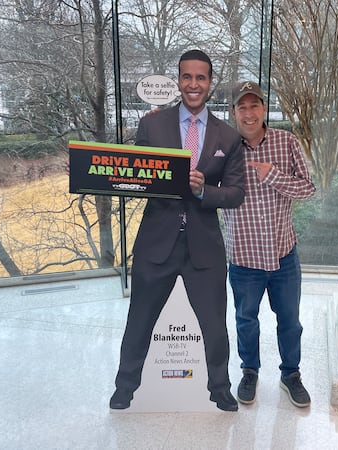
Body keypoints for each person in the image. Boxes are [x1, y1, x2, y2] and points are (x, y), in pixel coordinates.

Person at [109, 50, 244, 412]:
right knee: (139, 320)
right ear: (178, 80)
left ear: (210, 82)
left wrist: (204, 191)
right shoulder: (152, 125)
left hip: (205, 247)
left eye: (201, 78)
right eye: (187, 77)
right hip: (157, 242)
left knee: (215, 325)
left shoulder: (228, 137)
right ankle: (125, 387)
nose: (193, 84)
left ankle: (220, 389)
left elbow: (235, 194)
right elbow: (136, 180)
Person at [223, 81, 316, 408]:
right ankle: (250, 371)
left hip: (282, 255)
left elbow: (308, 189)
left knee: (290, 319)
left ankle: (291, 374)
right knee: (245, 320)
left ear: (264, 108)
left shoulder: (286, 141)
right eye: (241, 107)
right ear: (234, 112)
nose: (248, 113)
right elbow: (188, 173)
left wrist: (272, 175)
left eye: (254, 106)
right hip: (243, 257)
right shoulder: (222, 147)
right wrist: (155, 125)